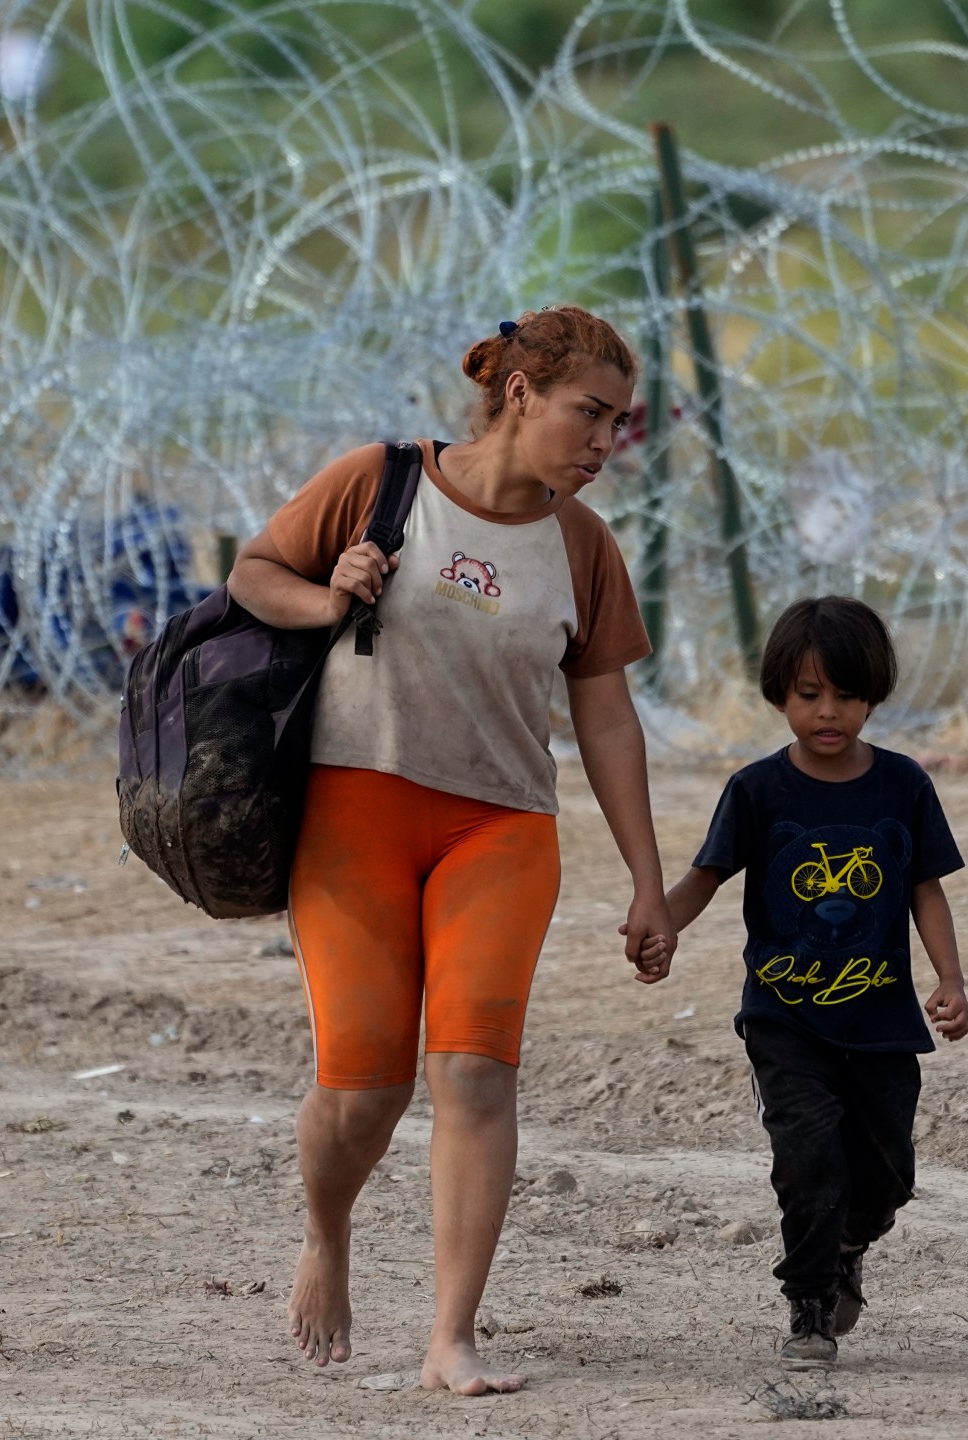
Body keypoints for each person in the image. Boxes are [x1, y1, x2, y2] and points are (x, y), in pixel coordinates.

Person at [226, 305, 678, 1395]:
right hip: (355, 816)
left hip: (501, 827)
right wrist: (327, 593)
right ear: (520, 393)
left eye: (620, 422)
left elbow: (607, 718)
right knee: (364, 1089)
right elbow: (252, 577)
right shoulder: (381, 480)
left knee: (474, 1072)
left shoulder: (582, 544)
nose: (605, 441)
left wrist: (649, 879)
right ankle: (327, 1235)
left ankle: (450, 1337)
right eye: (589, 412)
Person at [642, 596, 968, 1370]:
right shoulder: (758, 790)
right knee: (808, 1155)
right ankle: (810, 1305)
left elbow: (927, 887)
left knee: (887, 1173)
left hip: (883, 1017)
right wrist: (662, 927)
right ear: (779, 695)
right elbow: (707, 875)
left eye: (847, 696)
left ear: (874, 695)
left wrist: (950, 979)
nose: (828, 713)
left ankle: (851, 1243)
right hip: (783, 1018)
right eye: (808, 695)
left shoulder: (903, 787)